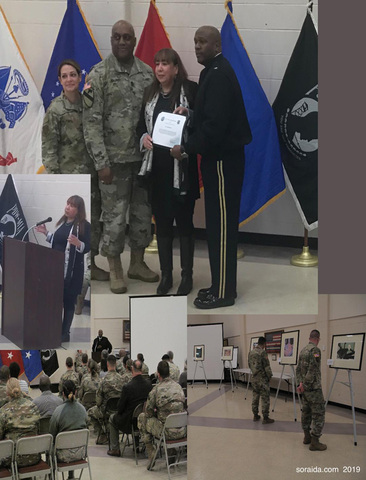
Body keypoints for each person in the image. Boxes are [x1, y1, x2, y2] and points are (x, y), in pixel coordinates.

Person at [171, 26, 252, 309]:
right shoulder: (211, 72)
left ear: (217, 45)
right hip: (217, 160)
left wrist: (186, 148)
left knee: (222, 228)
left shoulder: (218, 75)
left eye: (202, 42)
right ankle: (220, 284)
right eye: (194, 41)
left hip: (222, 162)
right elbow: (210, 116)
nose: (196, 47)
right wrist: (190, 114)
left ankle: (224, 293)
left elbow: (215, 129)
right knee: (217, 225)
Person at [83, 19, 158, 294]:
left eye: (128, 37)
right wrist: (101, 163)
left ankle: (137, 263)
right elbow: (90, 124)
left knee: (141, 214)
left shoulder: (147, 74)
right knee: (113, 218)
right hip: (112, 164)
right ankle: (115, 267)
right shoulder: (98, 75)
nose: (123, 42)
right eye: (117, 37)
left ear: (135, 41)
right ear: (111, 40)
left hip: (142, 161)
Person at [136, 48, 199, 295]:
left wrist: (189, 115)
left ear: (175, 68)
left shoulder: (190, 91)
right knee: (162, 226)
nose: (160, 68)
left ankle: (187, 277)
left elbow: (202, 123)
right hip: (157, 171)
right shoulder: (150, 93)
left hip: (182, 169)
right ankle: (166, 277)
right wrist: (143, 138)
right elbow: (140, 125)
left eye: (165, 64)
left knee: (184, 224)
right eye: (157, 63)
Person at [42, 59, 107, 282]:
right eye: (65, 76)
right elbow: (49, 147)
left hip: (91, 172)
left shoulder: (88, 103)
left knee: (92, 221)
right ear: (59, 80)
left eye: (73, 75)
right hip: (68, 175)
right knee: (72, 224)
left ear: (80, 77)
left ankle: (92, 263)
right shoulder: (55, 109)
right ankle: (73, 266)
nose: (69, 79)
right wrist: (55, 178)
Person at [35, 195, 91, 342]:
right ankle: (53, 329)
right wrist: (46, 233)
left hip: (72, 273)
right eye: (67, 204)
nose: (67, 207)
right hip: (57, 271)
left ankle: (65, 333)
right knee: (55, 300)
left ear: (79, 210)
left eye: (72, 205)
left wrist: (79, 243)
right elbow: (58, 243)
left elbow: (87, 247)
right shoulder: (63, 223)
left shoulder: (84, 225)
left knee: (68, 302)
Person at [138, 360, 186, 469]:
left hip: (166, 432)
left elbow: (148, 413)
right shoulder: (178, 387)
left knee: (142, 418)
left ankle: (151, 452)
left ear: (158, 374)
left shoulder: (156, 390)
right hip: (182, 430)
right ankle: (171, 452)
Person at [108, 359, 152, 456]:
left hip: (129, 423)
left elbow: (120, 408)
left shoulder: (127, 387)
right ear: (142, 369)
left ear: (132, 369)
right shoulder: (149, 385)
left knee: (112, 418)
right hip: (144, 421)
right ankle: (136, 445)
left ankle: (115, 449)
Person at [50, 380, 88, 480]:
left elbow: (52, 435)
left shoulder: (58, 411)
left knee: (50, 446)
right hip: (81, 453)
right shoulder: (83, 410)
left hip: (63, 456)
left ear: (63, 393)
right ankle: (71, 476)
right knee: (72, 440)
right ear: (76, 392)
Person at [296, 329, 327, 451]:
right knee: (319, 414)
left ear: (310, 337)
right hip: (313, 389)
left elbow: (298, 369)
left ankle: (306, 437)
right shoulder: (315, 350)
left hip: (305, 390)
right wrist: (305, 384)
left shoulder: (303, 350)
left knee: (306, 413)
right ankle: (315, 442)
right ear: (317, 339)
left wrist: (300, 384)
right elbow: (313, 370)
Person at [0, 378, 40, 469]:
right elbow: (38, 430)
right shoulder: (33, 407)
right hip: (33, 456)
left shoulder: (3, 412)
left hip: (12, 459)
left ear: (7, 393)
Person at [87, 354, 124, 444]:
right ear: (115, 364)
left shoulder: (103, 381)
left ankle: (103, 434)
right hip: (119, 411)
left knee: (90, 412)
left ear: (107, 364)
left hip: (106, 411)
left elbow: (98, 402)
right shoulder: (122, 379)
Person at [248, 336, 275, 424]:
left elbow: (250, 365)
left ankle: (255, 415)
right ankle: (265, 418)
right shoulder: (263, 352)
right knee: (265, 398)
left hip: (254, 378)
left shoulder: (251, 352)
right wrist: (269, 376)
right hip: (262, 379)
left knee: (255, 396)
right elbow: (267, 366)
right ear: (264, 344)